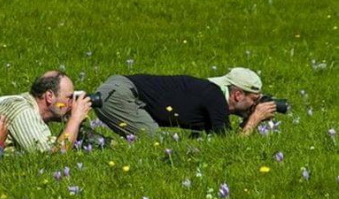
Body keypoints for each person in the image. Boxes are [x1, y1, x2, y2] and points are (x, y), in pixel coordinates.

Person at [93, 67, 277, 137]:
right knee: (156, 143)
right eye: (254, 99)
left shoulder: (211, 94)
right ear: (237, 95)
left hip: (117, 89)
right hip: (120, 94)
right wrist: (254, 119)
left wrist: (248, 119)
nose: (255, 105)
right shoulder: (215, 97)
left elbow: (222, 140)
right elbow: (231, 146)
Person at [0, 70, 92, 153]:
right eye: (69, 97)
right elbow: (54, 156)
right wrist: (75, 119)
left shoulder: (26, 106)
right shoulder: (23, 111)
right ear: (49, 96)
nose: (72, 103)